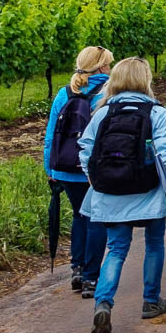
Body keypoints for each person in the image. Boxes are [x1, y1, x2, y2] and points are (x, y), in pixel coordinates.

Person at [79, 57, 166, 333]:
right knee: (154, 244)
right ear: (145, 79)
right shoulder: (157, 112)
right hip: (148, 190)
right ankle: (151, 300)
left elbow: (85, 152)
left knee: (116, 249)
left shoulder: (102, 113)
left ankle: (103, 303)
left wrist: (98, 182)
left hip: (110, 192)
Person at [44, 46, 113, 297]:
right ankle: (91, 276)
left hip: (65, 168)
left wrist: (49, 168)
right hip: (95, 168)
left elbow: (51, 135)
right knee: (96, 217)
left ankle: (77, 268)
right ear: (102, 67)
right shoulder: (110, 91)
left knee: (78, 215)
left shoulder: (64, 93)